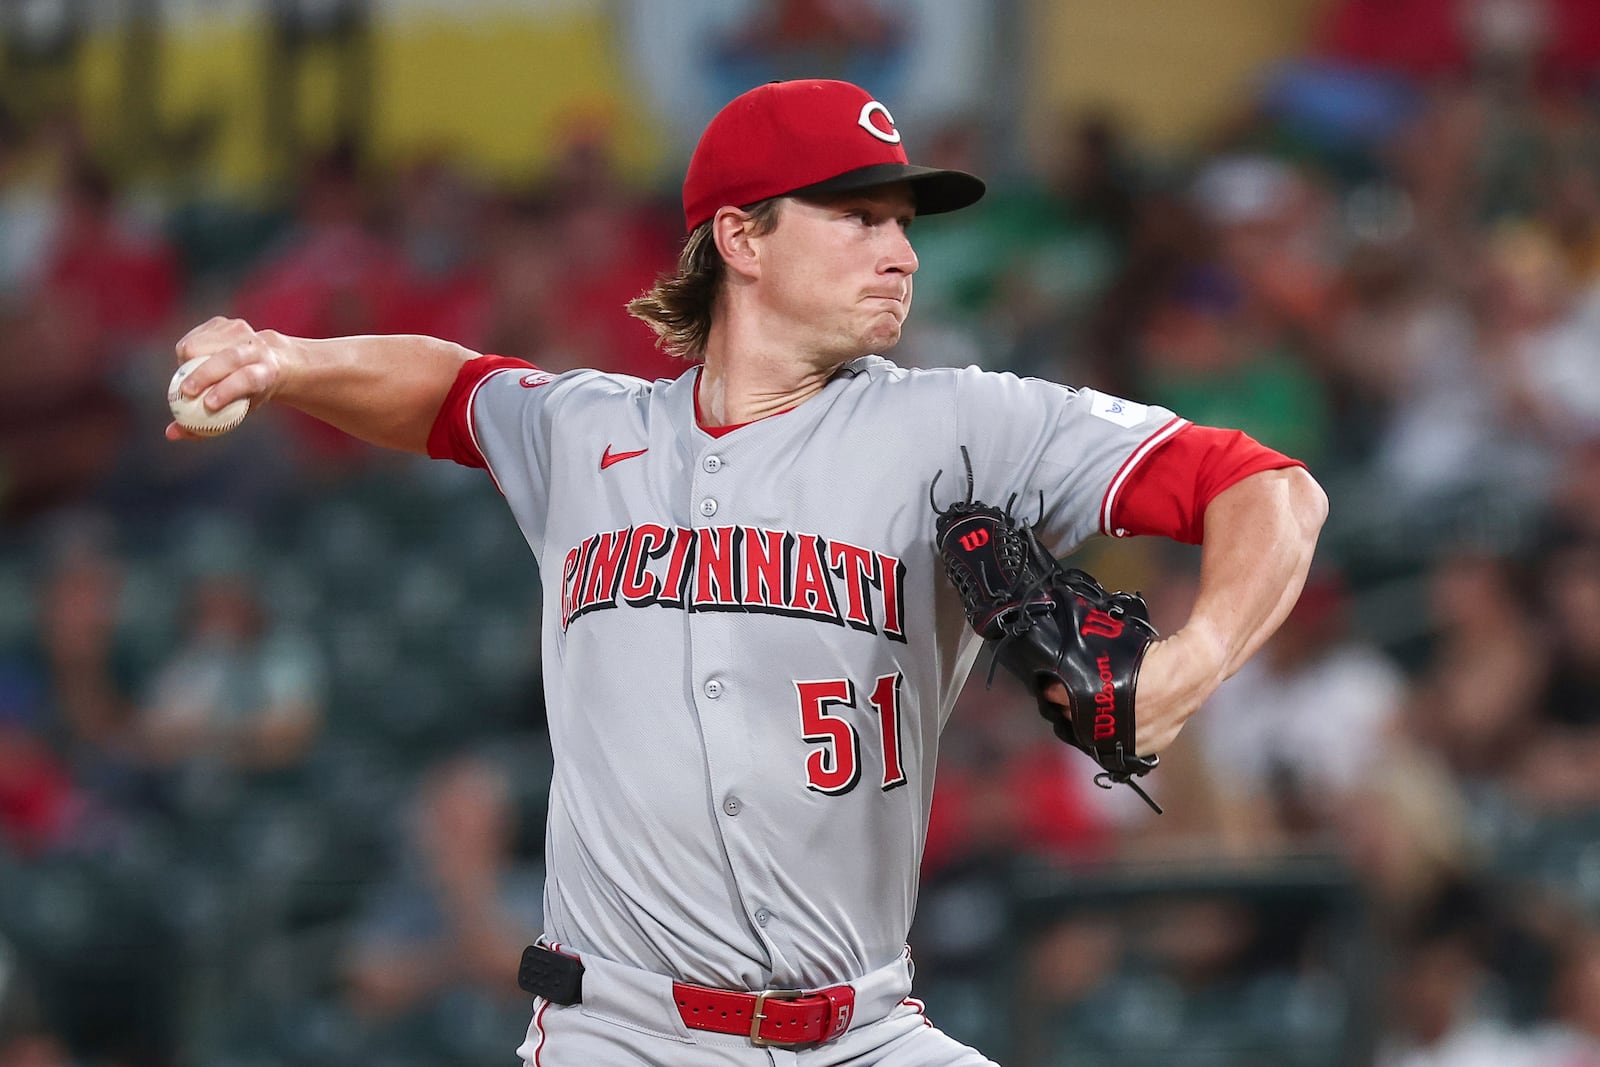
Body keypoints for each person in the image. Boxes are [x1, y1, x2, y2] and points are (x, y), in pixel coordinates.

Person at [166, 79, 1327, 1066]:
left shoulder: (967, 422)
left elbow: (1271, 487)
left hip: (864, 1027)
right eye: (858, 217)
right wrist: (287, 358)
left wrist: (1188, 664)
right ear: (741, 236)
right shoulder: (588, 434)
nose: (902, 251)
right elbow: (448, 387)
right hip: (617, 1029)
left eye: (902, 222)